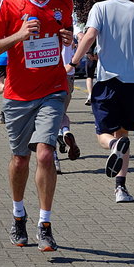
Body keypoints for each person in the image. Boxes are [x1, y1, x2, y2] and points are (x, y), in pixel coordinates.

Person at [0, 0, 74, 252]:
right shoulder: (7, 4)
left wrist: (67, 38)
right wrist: (19, 35)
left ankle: (44, 224)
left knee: (46, 154)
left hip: (52, 88)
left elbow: (67, 33)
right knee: (21, 159)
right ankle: (18, 214)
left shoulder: (64, 1)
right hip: (18, 94)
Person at [66, 0, 134, 203]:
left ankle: (114, 145)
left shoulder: (100, 8)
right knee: (124, 132)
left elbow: (90, 35)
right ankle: (121, 188)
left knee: (104, 134)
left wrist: (73, 63)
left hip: (108, 80)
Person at [55, 42, 81, 173]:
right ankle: (65, 130)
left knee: (48, 117)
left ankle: (54, 159)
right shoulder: (68, 27)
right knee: (61, 112)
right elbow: (82, 39)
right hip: (68, 74)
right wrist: (74, 62)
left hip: (48, 74)